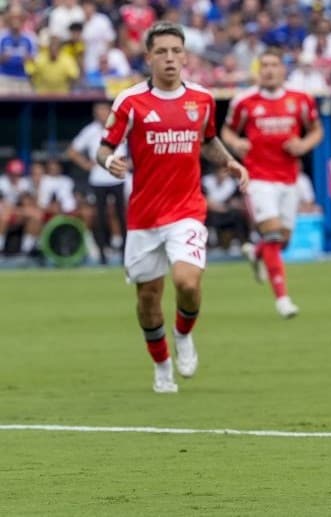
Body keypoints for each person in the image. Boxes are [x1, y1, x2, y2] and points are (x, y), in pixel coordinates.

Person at [96, 22, 249, 394]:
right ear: (148, 57)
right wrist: (109, 162)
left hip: (187, 210)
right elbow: (104, 148)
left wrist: (229, 161)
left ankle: (183, 334)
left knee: (187, 282)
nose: (169, 58)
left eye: (176, 51)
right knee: (148, 298)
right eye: (161, 51)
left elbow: (208, 140)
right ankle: (162, 365)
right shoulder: (130, 101)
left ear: (185, 56)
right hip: (144, 217)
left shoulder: (203, 99)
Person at [223, 47, 323, 319]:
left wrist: (303, 144)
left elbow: (316, 130)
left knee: (283, 242)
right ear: (258, 70)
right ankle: (283, 299)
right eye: (264, 65)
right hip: (258, 179)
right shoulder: (244, 101)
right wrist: (236, 143)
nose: (268, 70)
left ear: (283, 69)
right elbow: (227, 131)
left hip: (289, 179)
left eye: (273, 65)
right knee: (273, 235)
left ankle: (256, 253)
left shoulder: (300, 99)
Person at [68, 101, 128, 265]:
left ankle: (125, 252)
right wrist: (87, 165)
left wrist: (129, 163)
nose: (101, 114)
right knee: (99, 217)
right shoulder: (90, 130)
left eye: (104, 111)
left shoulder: (121, 126)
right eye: (98, 111)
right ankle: (102, 253)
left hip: (118, 177)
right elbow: (72, 151)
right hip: (98, 180)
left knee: (122, 216)